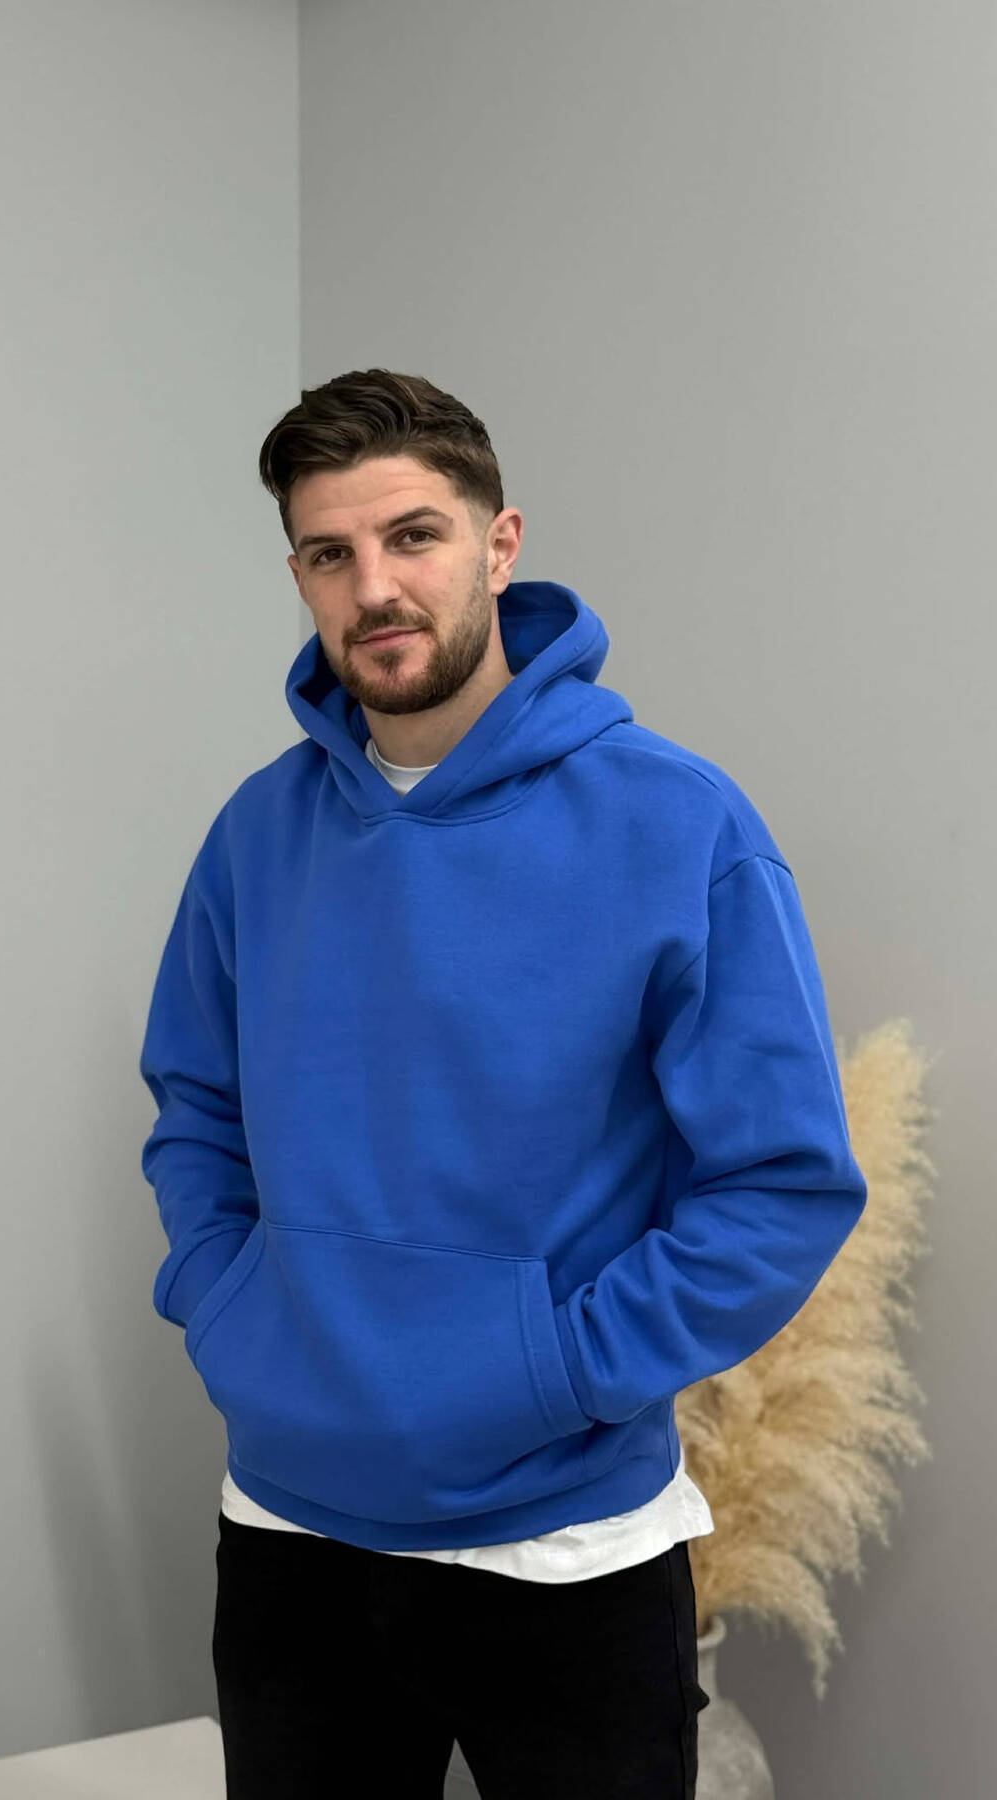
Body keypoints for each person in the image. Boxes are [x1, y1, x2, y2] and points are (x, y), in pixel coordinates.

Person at [137, 368, 868, 1798]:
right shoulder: (257, 835)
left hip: (566, 1552)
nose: (374, 588)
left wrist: (564, 1371)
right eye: (330, 553)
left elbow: (781, 1185)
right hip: (291, 1538)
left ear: (499, 543)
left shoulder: (678, 824)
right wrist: (230, 1310)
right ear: (299, 577)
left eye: (413, 535)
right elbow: (197, 1115)